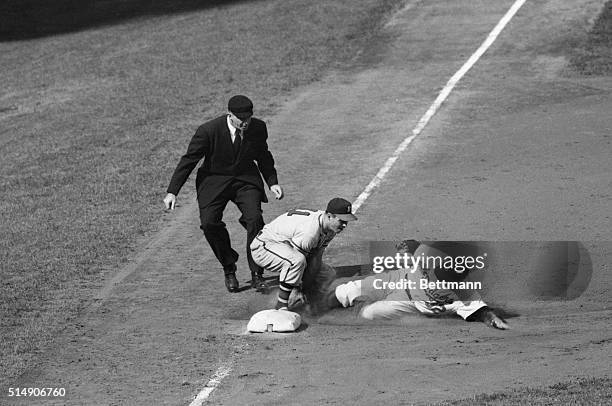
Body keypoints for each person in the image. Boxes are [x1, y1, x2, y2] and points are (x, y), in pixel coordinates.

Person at [163, 95, 283, 293]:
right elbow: (189, 160)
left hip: (245, 180)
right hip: (214, 181)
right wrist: (172, 191)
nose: (245, 122)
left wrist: (272, 182)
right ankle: (229, 267)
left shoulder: (258, 127)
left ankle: (257, 273)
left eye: (248, 118)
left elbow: (263, 155)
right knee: (209, 223)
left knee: (255, 219)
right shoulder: (208, 131)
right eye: (241, 119)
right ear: (230, 115)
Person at [324, 240, 509, 329]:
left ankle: (353, 310)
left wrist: (494, 320)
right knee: (347, 291)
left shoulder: (465, 294)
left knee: (368, 314)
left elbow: (483, 312)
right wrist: (408, 247)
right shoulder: (429, 259)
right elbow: (415, 248)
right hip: (399, 280)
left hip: (408, 304)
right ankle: (311, 308)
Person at [249, 198, 357, 310]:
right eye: (342, 221)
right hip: (264, 247)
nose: (345, 225)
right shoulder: (310, 232)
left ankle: (310, 303)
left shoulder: (330, 227)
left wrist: (307, 289)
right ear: (329, 216)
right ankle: (281, 305)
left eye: (347, 221)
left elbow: (316, 257)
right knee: (296, 261)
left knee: (328, 274)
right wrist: (298, 288)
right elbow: (302, 263)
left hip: (284, 248)